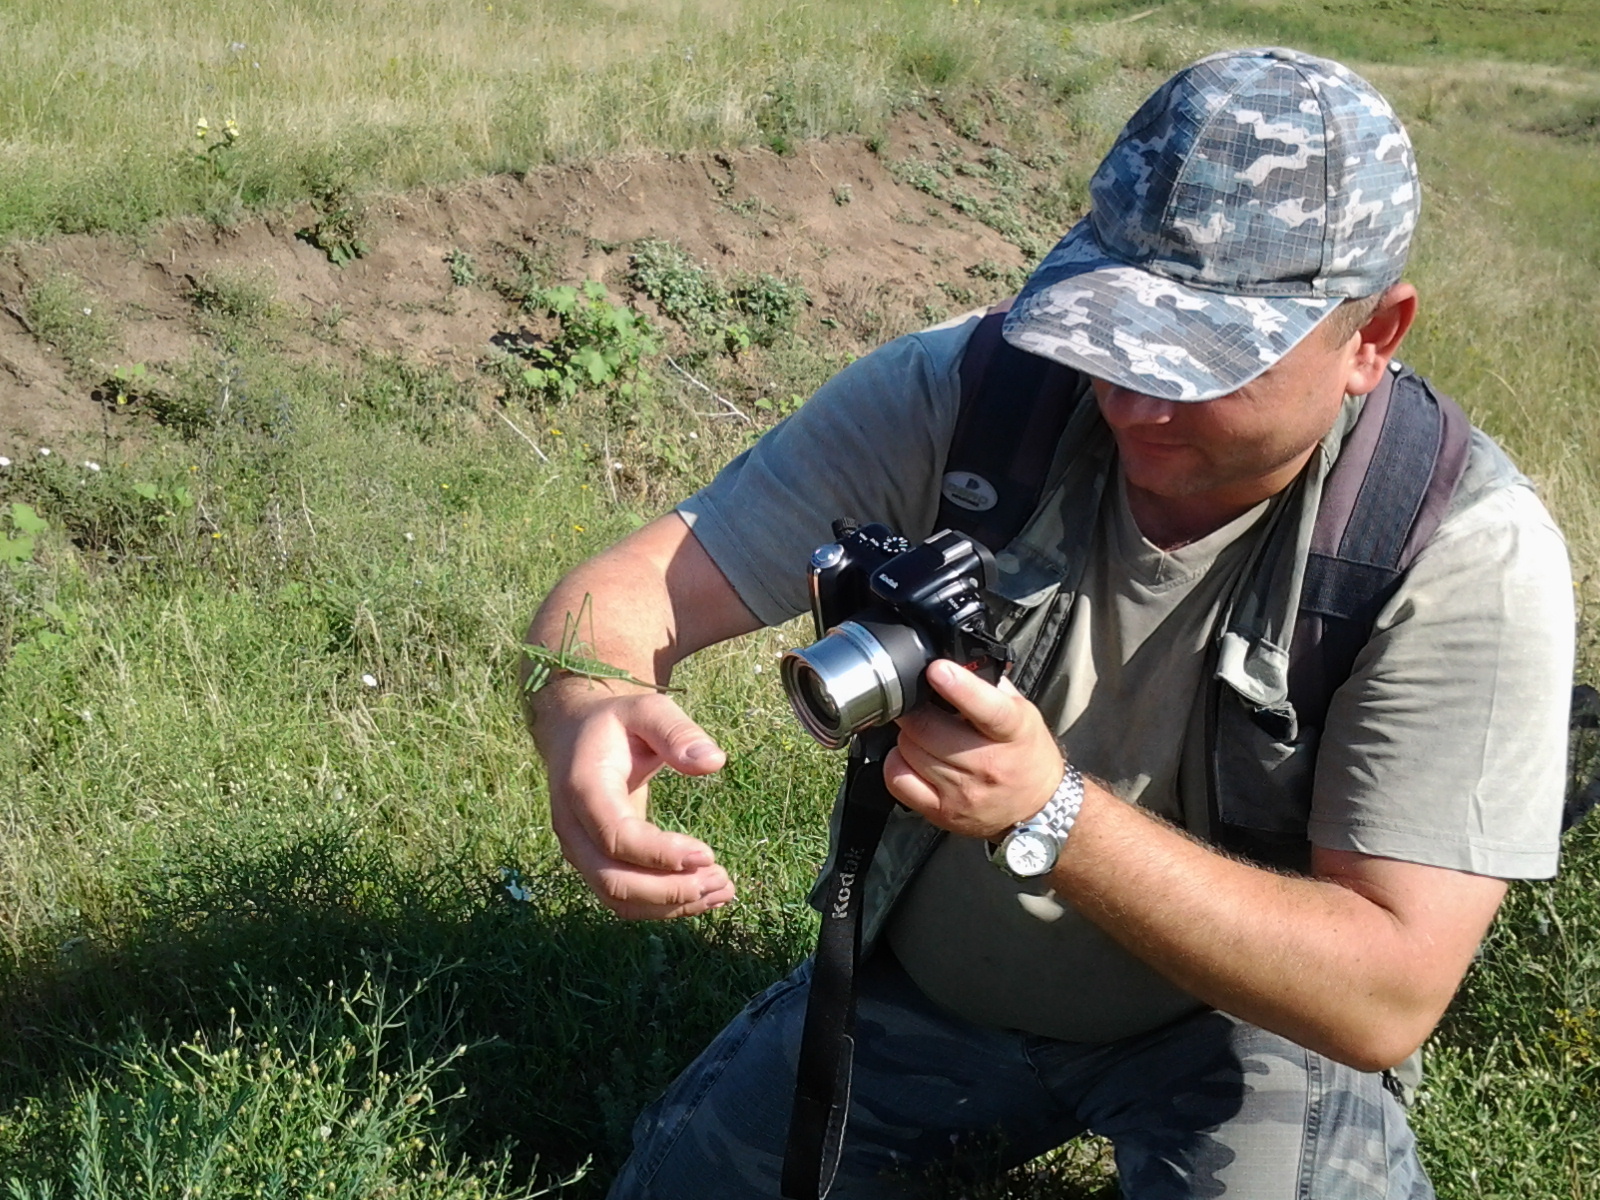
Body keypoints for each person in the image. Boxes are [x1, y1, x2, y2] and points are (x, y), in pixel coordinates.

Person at [522, 47, 1574, 1199]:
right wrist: (585, 697)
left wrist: (1050, 813)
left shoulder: (1453, 546)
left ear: (1371, 338)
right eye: (1107, 328)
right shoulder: (980, 394)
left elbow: (1387, 989)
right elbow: (616, 598)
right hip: (926, 994)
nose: (1130, 396)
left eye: (1201, 359)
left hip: (1239, 1035)